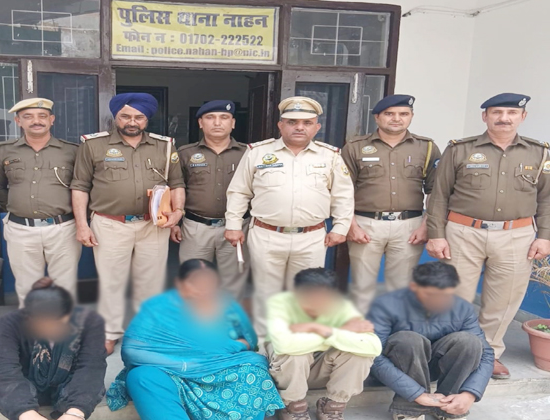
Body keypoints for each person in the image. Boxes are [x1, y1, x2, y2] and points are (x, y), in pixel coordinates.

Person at [425, 93, 550, 379]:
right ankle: (451, 353)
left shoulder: (540, 153)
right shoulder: (459, 149)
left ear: (522, 117)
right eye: (496, 112)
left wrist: (545, 236)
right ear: (485, 116)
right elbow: (439, 195)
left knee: (503, 301)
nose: (504, 118)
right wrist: (436, 234)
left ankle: (488, 354)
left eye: (511, 113)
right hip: (463, 233)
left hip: (516, 235)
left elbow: (547, 199)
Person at [225, 96, 354, 336]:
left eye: (307, 122)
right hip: (266, 234)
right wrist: (233, 224)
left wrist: (340, 228)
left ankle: (300, 343)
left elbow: (343, 195)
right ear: (280, 125)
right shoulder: (258, 153)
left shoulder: (330, 156)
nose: (299, 127)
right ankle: (265, 343)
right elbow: (239, 191)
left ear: (317, 127)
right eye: (292, 122)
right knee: (266, 293)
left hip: (311, 236)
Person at [71, 93, 186, 355]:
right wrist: (82, 225)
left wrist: (177, 213)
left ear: (147, 119)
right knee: (111, 282)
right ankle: (110, 333)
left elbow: (177, 183)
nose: (132, 122)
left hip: (153, 225)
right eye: (125, 116)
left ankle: (145, 333)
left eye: (139, 117)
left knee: (150, 282)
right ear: (116, 117)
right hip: (110, 224)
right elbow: (79, 186)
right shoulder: (93, 145)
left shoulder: (165, 146)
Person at [106, 259, 285, 420]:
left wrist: (219, 349)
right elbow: (133, 350)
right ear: (179, 283)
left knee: (254, 370)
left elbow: (249, 341)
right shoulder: (157, 308)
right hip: (171, 374)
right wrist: (182, 364)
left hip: (220, 372)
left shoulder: (227, 306)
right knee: (141, 377)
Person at [341, 95, 441, 314]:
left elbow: (436, 191)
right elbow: (343, 191)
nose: (396, 119)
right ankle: (361, 331)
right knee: (362, 286)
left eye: (403, 114)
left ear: (411, 117)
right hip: (365, 223)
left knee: (401, 287)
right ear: (377, 117)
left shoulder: (426, 148)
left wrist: (426, 225)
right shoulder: (355, 147)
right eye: (389, 114)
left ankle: (394, 330)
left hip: (409, 226)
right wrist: (351, 225)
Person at [367, 262, 494, 420]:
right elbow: (372, 355)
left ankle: (449, 408)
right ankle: (409, 409)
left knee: (470, 341)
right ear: (414, 287)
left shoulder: (462, 308)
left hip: (434, 366)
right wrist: (417, 394)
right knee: (408, 339)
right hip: (398, 367)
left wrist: (470, 394)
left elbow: (486, 355)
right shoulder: (386, 306)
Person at [0, 98, 81, 306]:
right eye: (28, 116)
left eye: (42, 116)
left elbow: (82, 187)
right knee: (27, 286)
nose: (36, 121)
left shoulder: (72, 151)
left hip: (63, 228)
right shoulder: (4, 151)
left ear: (52, 119)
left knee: (64, 286)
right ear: (18, 121)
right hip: (20, 229)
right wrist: (18, 206)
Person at [266, 268, 382, 420]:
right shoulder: (279, 305)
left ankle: (332, 406)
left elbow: (374, 346)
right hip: (285, 374)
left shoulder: (342, 307)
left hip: (321, 370)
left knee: (360, 355)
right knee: (295, 355)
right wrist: (340, 333)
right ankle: (293, 406)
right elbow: (285, 345)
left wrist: (325, 331)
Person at [0, 277, 107, 420]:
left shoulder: (90, 322)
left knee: (91, 384)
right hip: (27, 384)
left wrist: (75, 413)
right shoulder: (9, 324)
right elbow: (6, 371)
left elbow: (91, 368)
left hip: (70, 384)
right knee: (5, 389)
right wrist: (27, 414)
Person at [170, 100, 250, 298]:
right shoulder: (185, 153)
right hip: (196, 227)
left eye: (224, 117)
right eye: (210, 117)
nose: (217, 122)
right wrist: (175, 222)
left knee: (233, 280)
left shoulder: (249, 154)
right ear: (200, 123)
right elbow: (175, 187)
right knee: (194, 277)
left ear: (233, 123)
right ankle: (194, 315)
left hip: (237, 227)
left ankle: (229, 315)